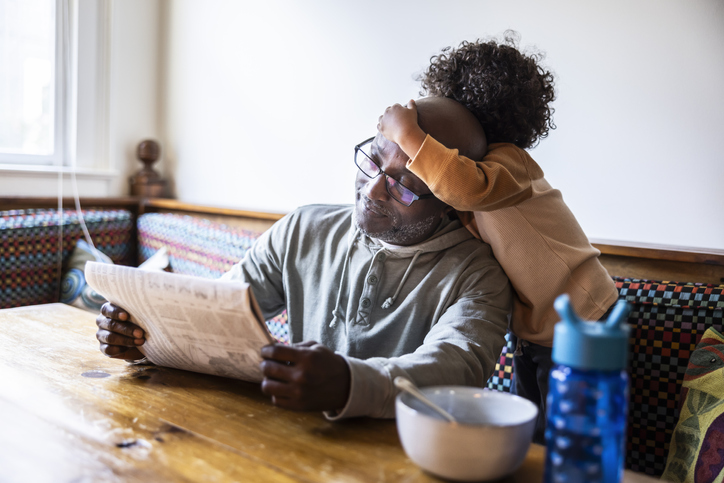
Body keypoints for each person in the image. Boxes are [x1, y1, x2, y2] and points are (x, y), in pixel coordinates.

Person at [95, 97, 513, 419]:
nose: (371, 191)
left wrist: (349, 384)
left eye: (403, 185)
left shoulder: (479, 277)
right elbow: (216, 309)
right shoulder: (305, 228)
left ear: (451, 204)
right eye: (372, 160)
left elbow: (455, 367)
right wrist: (146, 335)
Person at [377, 34, 618, 441]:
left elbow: (463, 187)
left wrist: (408, 133)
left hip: (584, 316)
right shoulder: (464, 180)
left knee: (574, 435)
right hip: (535, 331)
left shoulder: (510, 164)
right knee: (527, 426)